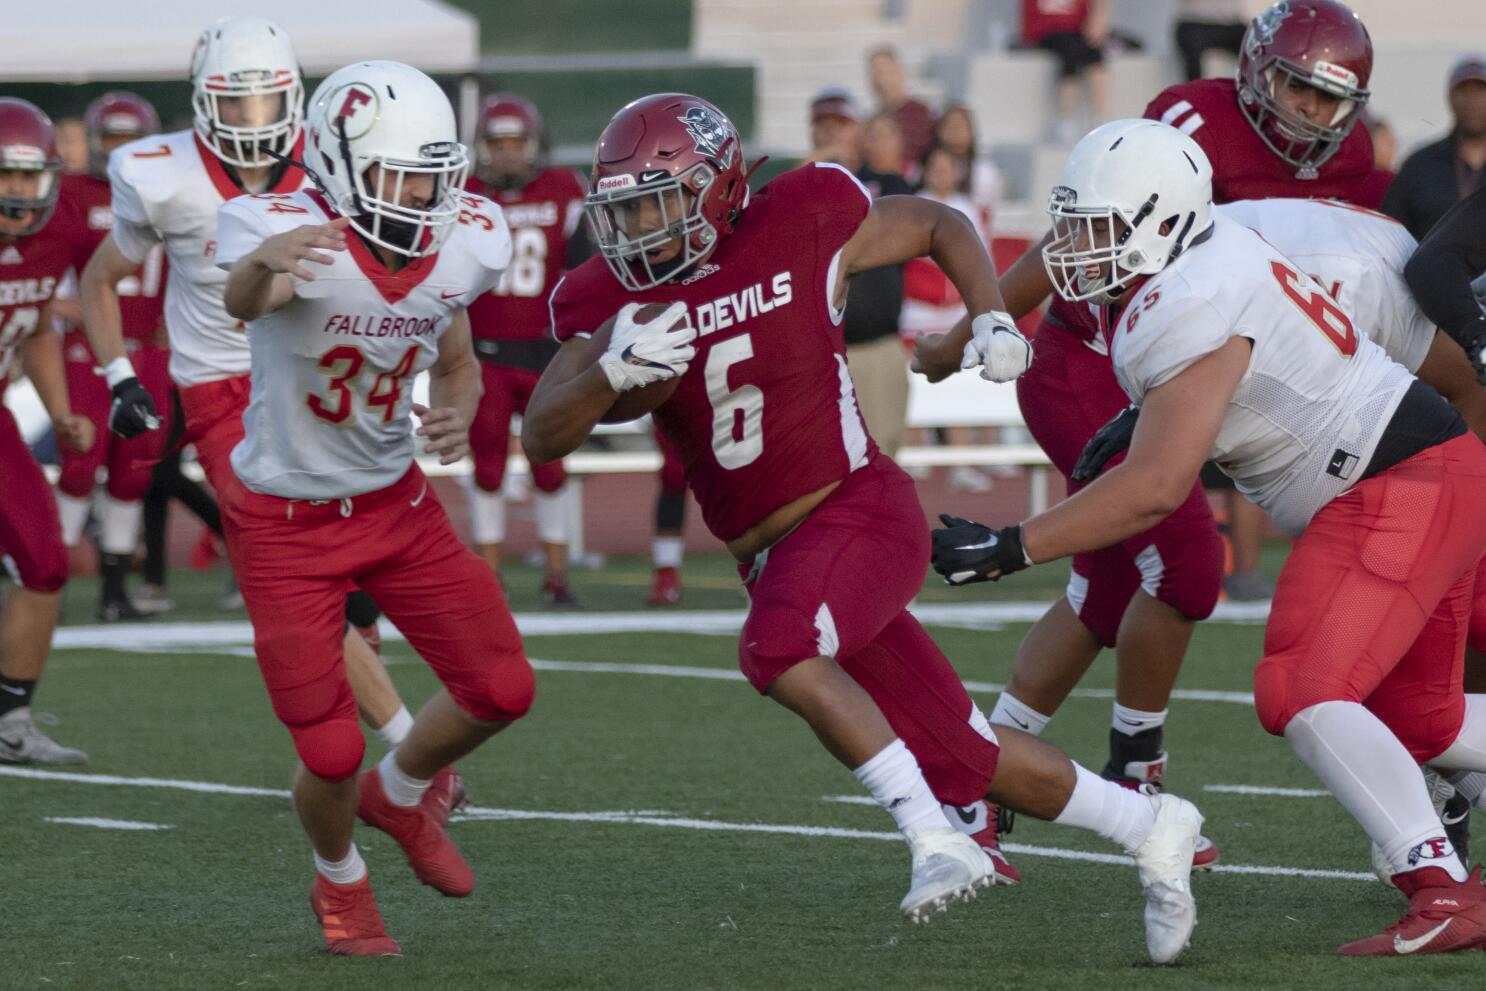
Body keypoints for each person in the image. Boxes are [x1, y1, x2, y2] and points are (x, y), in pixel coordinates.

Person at [523, 93, 1202, 964]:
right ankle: (1153, 825)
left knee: (777, 649)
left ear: (721, 187)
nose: (637, 226)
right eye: (624, 207)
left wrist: (990, 314)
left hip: (856, 507)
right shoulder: (610, 292)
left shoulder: (802, 218)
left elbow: (938, 222)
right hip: (775, 554)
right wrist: (607, 369)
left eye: (657, 200)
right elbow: (545, 428)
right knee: (970, 754)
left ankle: (935, 838)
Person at [934, 118, 1486, 956]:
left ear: (1159, 222)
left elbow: (1156, 488)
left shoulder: (1180, 297)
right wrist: (1142, 413)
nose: (1077, 249)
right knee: (1424, 718)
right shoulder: (1212, 244)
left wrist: (1015, 545)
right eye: (1073, 223)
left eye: (1099, 229)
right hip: (1425, 472)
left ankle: (1440, 885)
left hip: (1392, 482)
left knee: (1299, 687)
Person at [914, 0, 1385, 866]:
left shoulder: (1349, 161)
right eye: (1296, 89)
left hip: (1186, 373)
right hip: (1092, 360)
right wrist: (965, 329)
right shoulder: (1186, 121)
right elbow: (1073, 238)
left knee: (1102, 589)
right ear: (1253, 69)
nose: (1311, 117)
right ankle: (1135, 774)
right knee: (1185, 563)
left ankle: (974, 768)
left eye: (1329, 100)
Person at [215, 60, 535, 957]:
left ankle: (401, 791)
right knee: (325, 752)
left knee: (504, 686)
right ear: (339, 162)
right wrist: (259, 263)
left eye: (438, 174)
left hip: (397, 504)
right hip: (282, 523)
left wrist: (462, 399)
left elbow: (458, 351)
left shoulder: (465, 239)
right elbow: (253, 299)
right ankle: (341, 881)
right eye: (404, 174)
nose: (427, 195)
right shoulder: (282, 231)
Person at [77, 16, 427, 765]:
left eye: (268, 101)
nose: (253, 119)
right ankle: (415, 753)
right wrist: (119, 376)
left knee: (360, 571)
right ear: (203, 100)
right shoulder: (160, 173)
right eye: (234, 102)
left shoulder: (332, 161)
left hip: (318, 377)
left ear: (294, 98)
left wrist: (402, 369)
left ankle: (367, 707)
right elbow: (99, 278)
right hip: (221, 392)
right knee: (303, 563)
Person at [462, 92, 587, 605]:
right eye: (499, 143)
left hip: (544, 353)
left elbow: (583, 270)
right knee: (487, 465)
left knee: (550, 467)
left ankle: (557, 574)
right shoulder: (463, 194)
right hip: (485, 354)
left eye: (517, 143)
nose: (509, 154)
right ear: (483, 148)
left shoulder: (564, 189)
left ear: (534, 144)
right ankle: (489, 574)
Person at [51, 91, 171, 621]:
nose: (120, 150)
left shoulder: (173, 190)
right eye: (112, 138)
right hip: (88, 348)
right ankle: (45, 581)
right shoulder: (73, 192)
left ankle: (115, 593)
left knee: (134, 473)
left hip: (151, 349)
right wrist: (59, 303)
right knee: (80, 464)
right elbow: (26, 261)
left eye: (131, 139)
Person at [0, 98, 95, 765]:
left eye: (29, 176)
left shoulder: (56, 232)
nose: (17, 191)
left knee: (46, 561)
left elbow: (33, 328)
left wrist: (59, 409)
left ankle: (10, 719)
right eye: (5, 175)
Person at [1383, 54, 1486, 240]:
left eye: (1480, 91)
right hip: (1432, 268)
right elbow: (1390, 236)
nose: (1472, 101)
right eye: (1463, 91)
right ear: (1450, 97)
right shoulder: (1418, 166)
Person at [1021, 0, 1110, 144]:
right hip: (1046, 31)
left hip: (1074, 32)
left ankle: (1100, 117)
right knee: (1071, 53)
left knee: (1094, 53)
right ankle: (1065, 119)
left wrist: (1097, 19)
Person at [866, 46, 935, 166]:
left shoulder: (919, 112)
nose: (880, 79)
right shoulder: (872, 119)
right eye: (875, 72)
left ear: (899, 71)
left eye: (884, 71)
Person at [1173, 0, 1247, 82]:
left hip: (1230, 25)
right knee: (1192, 49)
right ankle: (1194, 91)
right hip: (1194, 23)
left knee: (1254, 41)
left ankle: (1255, 90)